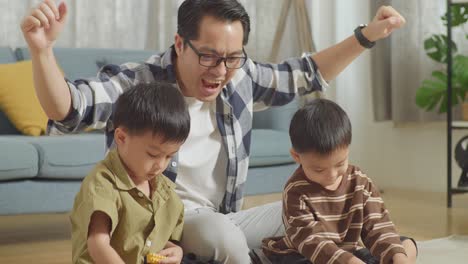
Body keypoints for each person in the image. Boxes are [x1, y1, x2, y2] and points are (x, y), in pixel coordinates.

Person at [21, 0, 406, 263]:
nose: (220, 70)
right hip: (170, 220)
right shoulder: (140, 84)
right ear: (179, 43)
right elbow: (69, 108)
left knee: (320, 205)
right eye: (208, 56)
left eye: (232, 57)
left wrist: (367, 35)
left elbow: (305, 73)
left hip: (227, 216)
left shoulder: (241, 76)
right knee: (226, 240)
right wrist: (42, 51)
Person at [261, 99, 418, 264]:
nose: (332, 175)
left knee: (405, 246)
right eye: (319, 170)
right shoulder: (295, 191)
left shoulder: (360, 181)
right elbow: (310, 241)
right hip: (305, 254)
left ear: (348, 149)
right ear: (297, 157)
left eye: (340, 164)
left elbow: (377, 225)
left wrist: (397, 256)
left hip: (348, 252)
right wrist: (349, 261)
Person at [70, 82, 190, 264]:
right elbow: (97, 244)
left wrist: (175, 251)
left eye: (169, 156)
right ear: (121, 138)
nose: (160, 165)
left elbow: (157, 240)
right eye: (153, 154)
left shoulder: (164, 192)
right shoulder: (102, 183)